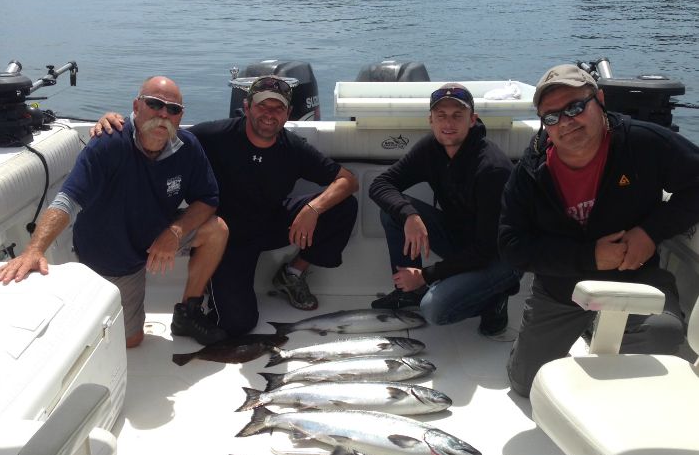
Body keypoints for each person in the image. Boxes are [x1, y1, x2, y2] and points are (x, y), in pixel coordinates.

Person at [93, 75, 358, 337]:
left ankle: (293, 273)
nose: (269, 114)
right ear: (246, 108)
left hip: (271, 223)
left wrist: (313, 210)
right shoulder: (214, 136)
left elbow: (347, 180)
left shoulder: (294, 148)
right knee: (237, 324)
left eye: (277, 108)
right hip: (227, 238)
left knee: (343, 205)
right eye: (262, 106)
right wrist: (116, 122)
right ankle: (209, 288)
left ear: (288, 113)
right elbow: (160, 133)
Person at [499, 63, 699, 397]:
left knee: (660, 341)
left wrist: (650, 232)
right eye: (552, 117)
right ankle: (569, 333)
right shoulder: (530, 172)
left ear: (600, 99)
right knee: (526, 384)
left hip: (634, 278)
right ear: (544, 126)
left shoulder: (643, 144)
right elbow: (511, 244)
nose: (566, 121)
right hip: (562, 288)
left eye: (576, 107)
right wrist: (588, 257)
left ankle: (601, 330)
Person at [0, 76, 229, 348]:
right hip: (112, 253)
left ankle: (188, 314)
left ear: (180, 116)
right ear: (136, 106)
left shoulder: (188, 148)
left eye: (173, 109)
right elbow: (67, 200)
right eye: (155, 104)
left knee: (217, 230)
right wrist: (34, 250)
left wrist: (176, 232)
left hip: (158, 232)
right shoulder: (108, 142)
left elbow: (208, 198)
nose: (164, 114)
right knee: (130, 340)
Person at [369, 83, 521, 334]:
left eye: (457, 116)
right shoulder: (432, 148)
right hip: (462, 238)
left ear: (472, 120)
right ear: (431, 120)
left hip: (501, 256)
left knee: (434, 310)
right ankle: (410, 293)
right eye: (441, 116)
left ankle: (495, 298)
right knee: (393, 212)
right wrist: (410, 215)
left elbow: (485, 250)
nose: (448, 123)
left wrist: (426, 275)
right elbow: (381, 184)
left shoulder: (491, 169)